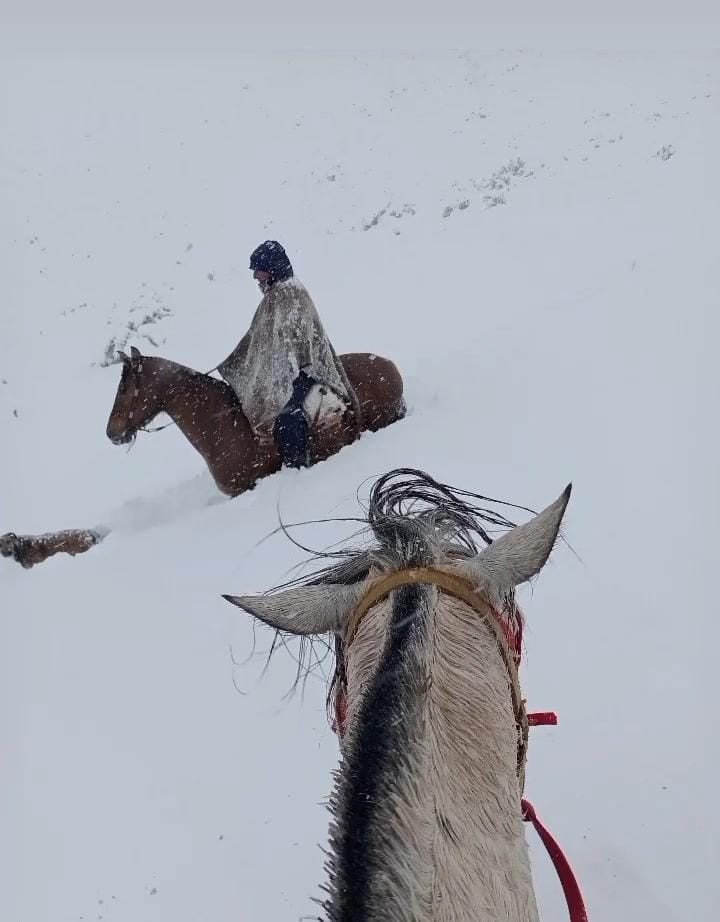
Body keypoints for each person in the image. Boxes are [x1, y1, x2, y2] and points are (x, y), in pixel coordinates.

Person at [218, 241, 360, 468]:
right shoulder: (274, 296)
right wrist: (238, 362)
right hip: (280, 369)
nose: (256, 276)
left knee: (287, 414)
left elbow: (295, 344)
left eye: (259, 270)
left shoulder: (291, 295)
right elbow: (258, 339)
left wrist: (281, 372)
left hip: (303, 369)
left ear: (272, 268)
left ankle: (296, 466)